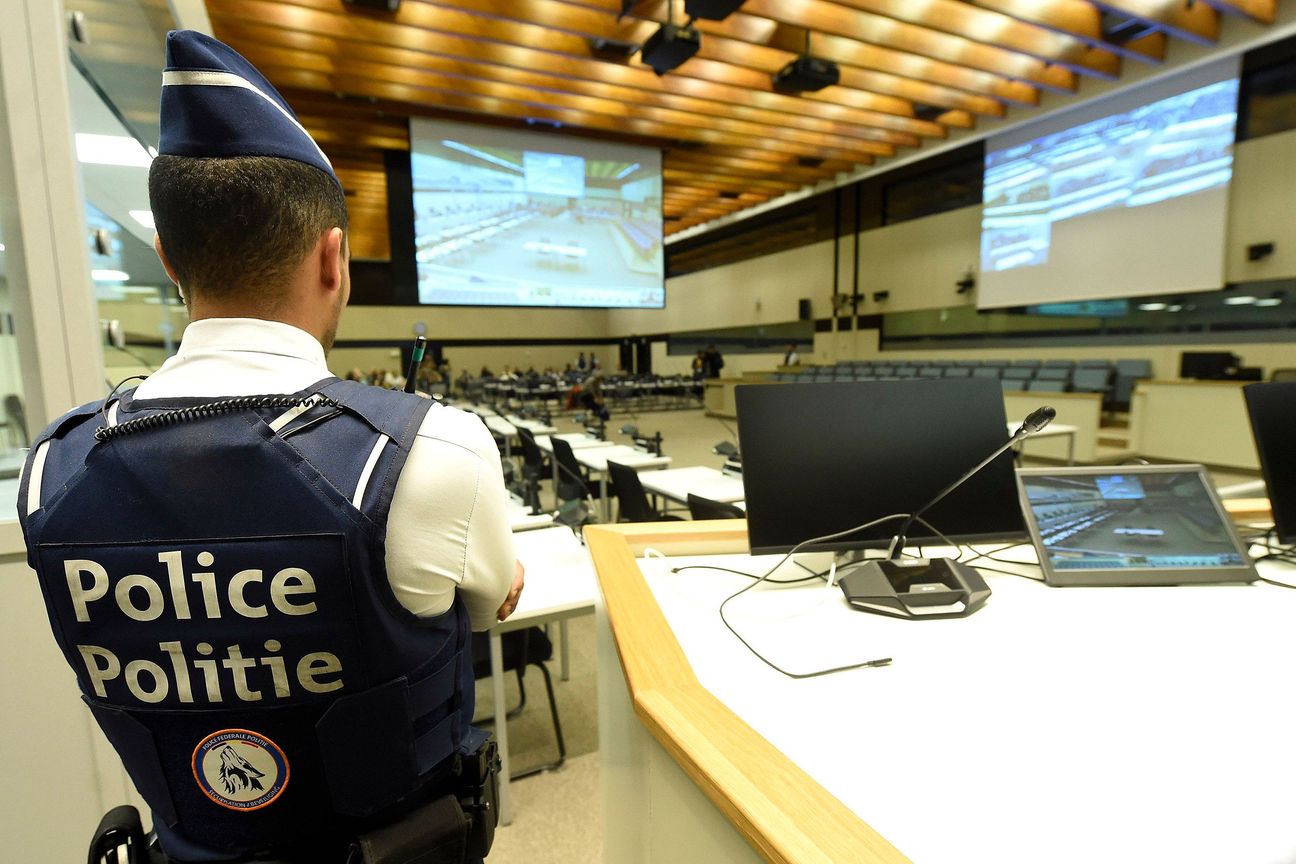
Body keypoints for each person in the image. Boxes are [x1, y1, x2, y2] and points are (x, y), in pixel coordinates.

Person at [18, 31, 519, 864]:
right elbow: (485, 601)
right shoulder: (434, 451)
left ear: (171, 260)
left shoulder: (52, 473)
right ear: (335, 258)